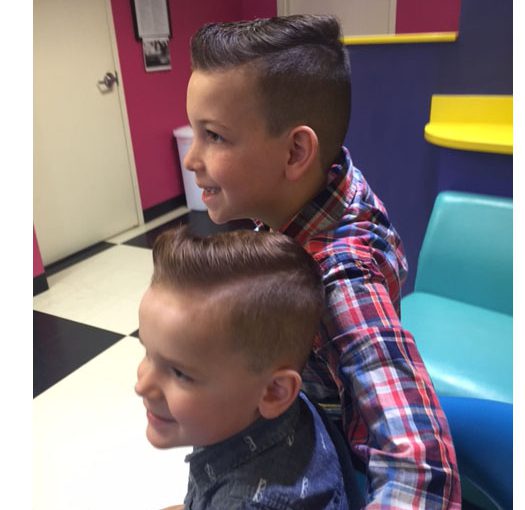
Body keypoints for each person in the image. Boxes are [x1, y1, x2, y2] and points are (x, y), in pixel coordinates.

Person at [183, 14, 461, 508]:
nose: (192, 158)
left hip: (324, 453)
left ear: (295, 152)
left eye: (215, 136)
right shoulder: (329, 181)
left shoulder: (340, 281)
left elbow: (421, 464)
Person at [135, 227, 364, 509]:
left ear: (274, 392)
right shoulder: (264, 410)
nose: (141, 385)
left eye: (180, 373)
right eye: (148, 352)